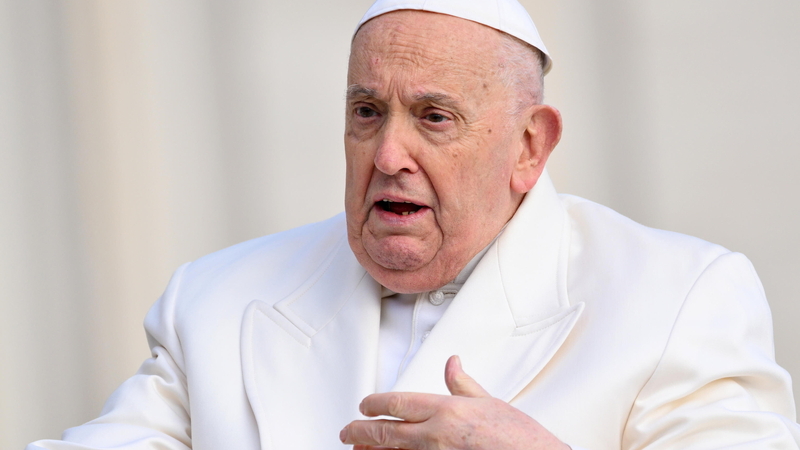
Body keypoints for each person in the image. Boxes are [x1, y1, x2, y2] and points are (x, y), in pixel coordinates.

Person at [28, 0, 800, 449]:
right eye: (368, 112)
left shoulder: (680, 297)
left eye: (434, 117)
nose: (389, 154)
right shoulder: (217, 300)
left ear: (529, 146)